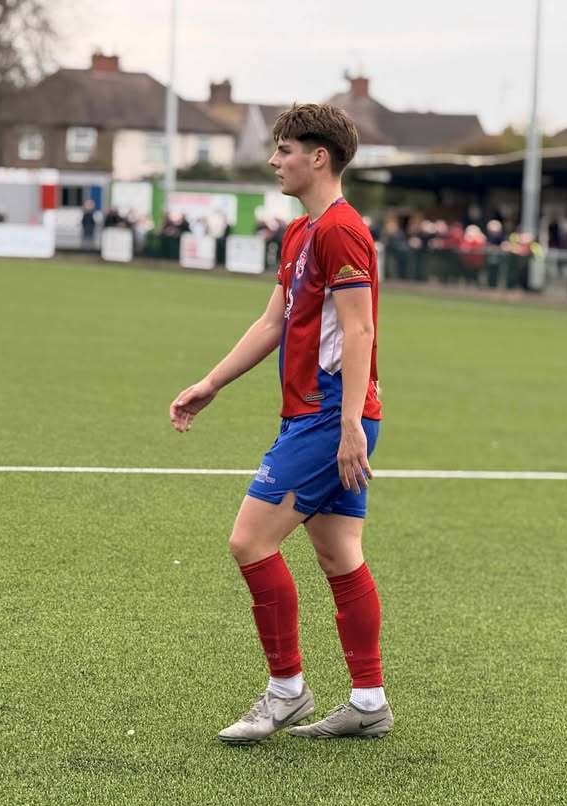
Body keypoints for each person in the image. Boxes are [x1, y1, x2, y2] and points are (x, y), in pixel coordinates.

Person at [169, 103, 392, 744]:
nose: (274, 160)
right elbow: (273, 322)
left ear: (318, 158)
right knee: (339, 552)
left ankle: (287, 689)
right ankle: (369, 701)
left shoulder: (341, 231)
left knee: (249, 541)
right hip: (320, 416)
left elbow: (360, 330)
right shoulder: (300, 233)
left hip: (329, 417)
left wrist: (348, 425)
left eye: (285, 149)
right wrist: (211, 383)